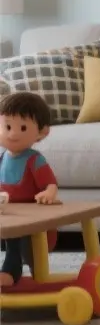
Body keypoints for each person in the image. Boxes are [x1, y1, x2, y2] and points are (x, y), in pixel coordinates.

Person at [0, 91, 61, 287]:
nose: (13, 134)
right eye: (7, 126)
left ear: (42, 132)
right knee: (13, 240)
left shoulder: (35, 161)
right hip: (9, 218)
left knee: (19, 247)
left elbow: (50, 185)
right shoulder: (2, 159)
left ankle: (11, 271)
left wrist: (48, 193)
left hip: (32, 222)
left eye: (23, 127)